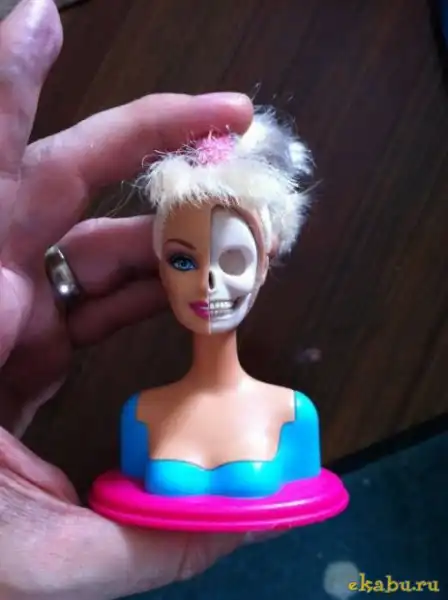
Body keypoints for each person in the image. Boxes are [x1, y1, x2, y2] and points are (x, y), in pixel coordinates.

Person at [0, 0, 257, 598]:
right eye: (183, 261)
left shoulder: (292, 414)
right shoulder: (143, 416)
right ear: (160, 264)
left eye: (234, 259)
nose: (208, 284)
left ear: (265, 260)